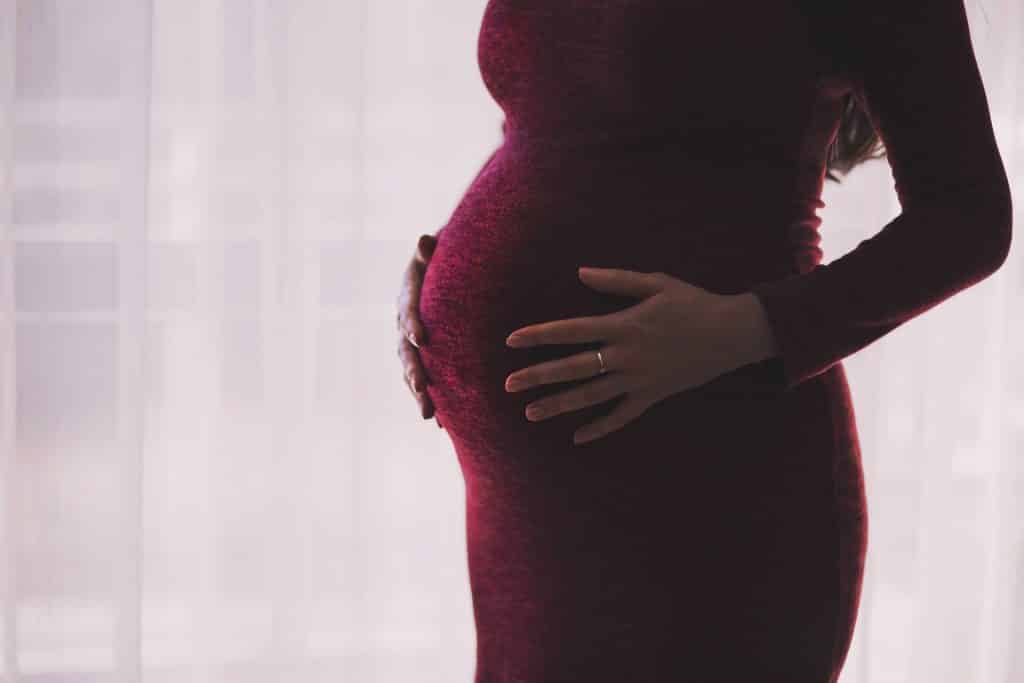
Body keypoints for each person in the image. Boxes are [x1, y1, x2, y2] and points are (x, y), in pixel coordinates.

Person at [395, 0, 1012, 680]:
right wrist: (441, 270)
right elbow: (563, 125)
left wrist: (746, 328)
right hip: (523, 517)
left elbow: (969, 217)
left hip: (707, 490)